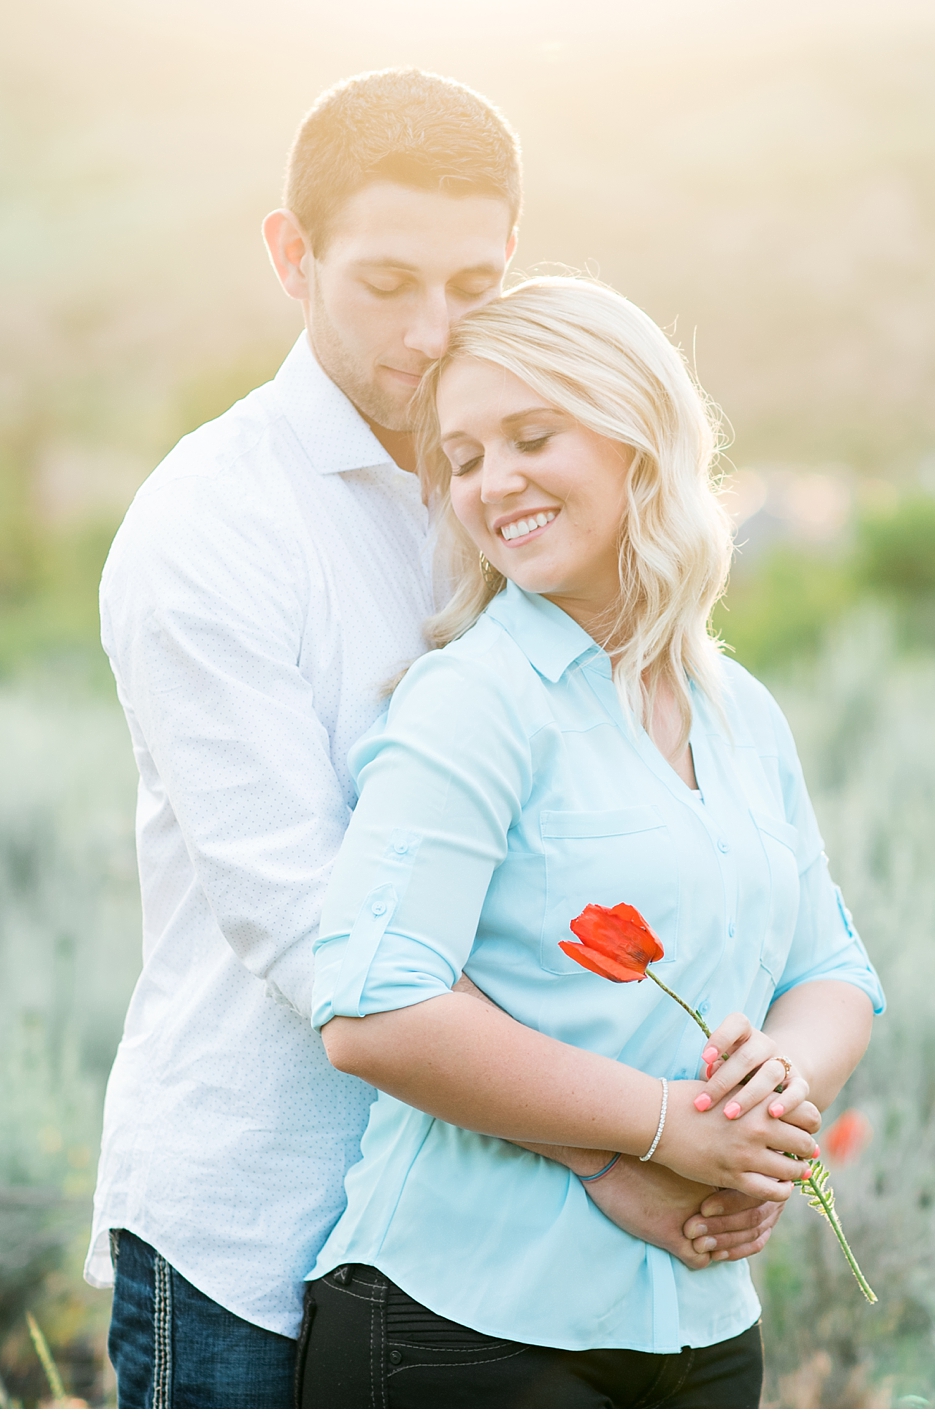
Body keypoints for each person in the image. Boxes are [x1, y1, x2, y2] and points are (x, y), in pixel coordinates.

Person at [88, 71, 787, 1408]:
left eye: (472, 283)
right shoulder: (209, 528)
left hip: (489, 1247)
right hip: (259, 1227)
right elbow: (310, 928)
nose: (431, 330)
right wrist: (615, 1148)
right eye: (386, 281)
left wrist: (732, 1108)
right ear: (292, 259)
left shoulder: (527, 496)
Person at [298, 277, 884, 1407]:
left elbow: (833, 974)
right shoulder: (473, 699)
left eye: (532, 436)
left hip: (707, 1326)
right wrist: (664, 1129)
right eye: (462, 457)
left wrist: (766, 1114)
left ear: (638, 441)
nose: (491, 482)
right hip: (464, 1327)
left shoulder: (740, 712)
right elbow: (373, 1012)